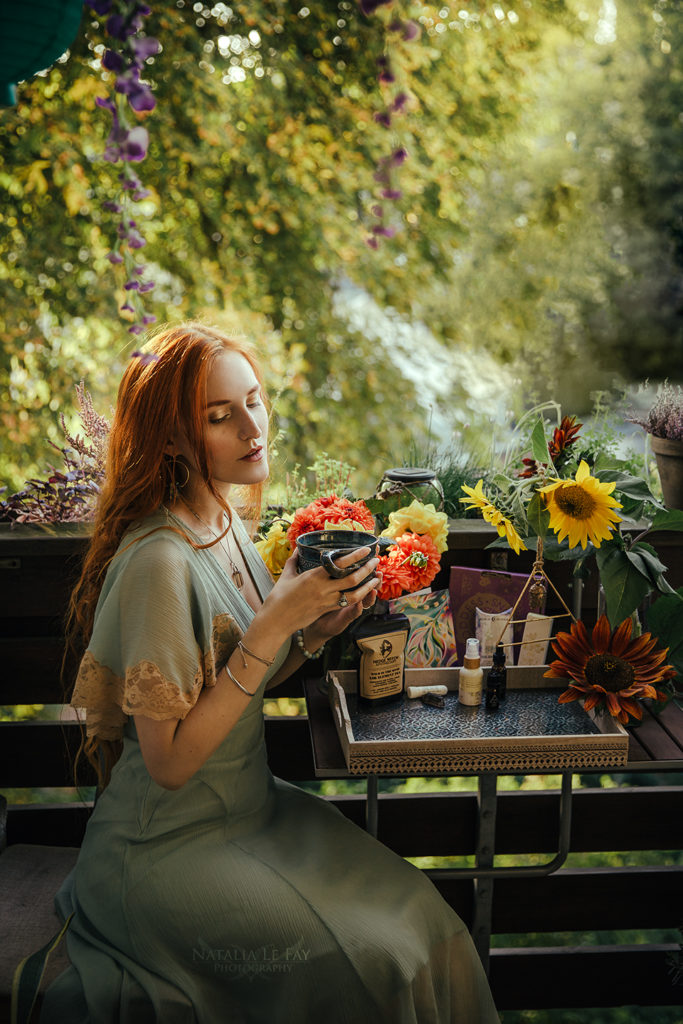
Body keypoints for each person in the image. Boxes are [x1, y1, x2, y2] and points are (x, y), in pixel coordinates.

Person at [40, 322, 499, 1023]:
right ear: (169, 440)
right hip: (165, 849)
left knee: (429, 928)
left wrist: (313, 634)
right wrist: (275, 624)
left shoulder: (222, 520)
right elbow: (166, 762)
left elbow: (243, 674)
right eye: (220, 417)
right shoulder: (159, 561)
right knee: (377, 962)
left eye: (254, 401)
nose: (252, 429)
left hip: (256, 814)